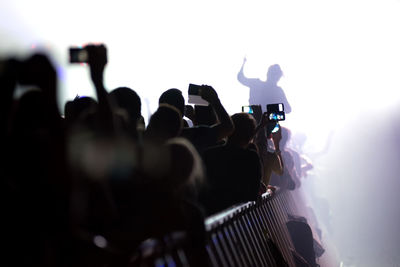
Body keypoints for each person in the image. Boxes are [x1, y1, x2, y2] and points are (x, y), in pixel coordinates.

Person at [199, 112, 262, 215]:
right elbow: (253, 193)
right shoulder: (251, 157)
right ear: (250, 134)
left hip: (209, 213)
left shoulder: (210, 153)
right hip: (238, 217)